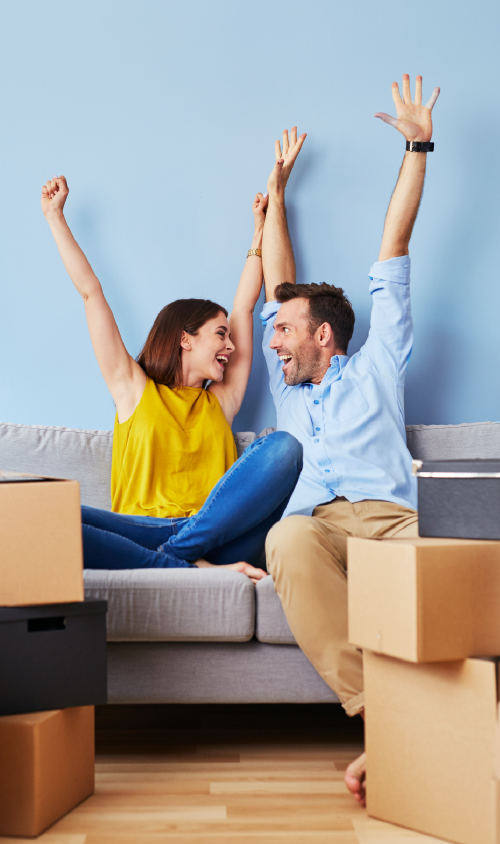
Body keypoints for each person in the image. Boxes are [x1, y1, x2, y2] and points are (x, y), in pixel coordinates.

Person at [260, 76, 440, 802]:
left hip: (399, 522)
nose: (270, 342)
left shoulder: (376, 364)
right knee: (286, 540)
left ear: (323, 336)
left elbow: (393, 244)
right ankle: (385, 719)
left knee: (467, 564)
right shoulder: (284, 388)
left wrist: (417, 146)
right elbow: (279, 279)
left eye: (284, 331)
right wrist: (274, 191)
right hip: (321, 528)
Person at [41, 177, 303, 583]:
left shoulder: (221, 400)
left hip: (216, 536)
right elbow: (92, 294)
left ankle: (177, 557)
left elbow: (243, 305)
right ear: (185, 338)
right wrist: (55, 217)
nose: (231, 347)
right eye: (221, 334)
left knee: (285, 448)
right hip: (140, 530)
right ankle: (190, 567)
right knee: (44, 514)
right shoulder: (133, 388)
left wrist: (258, 232)